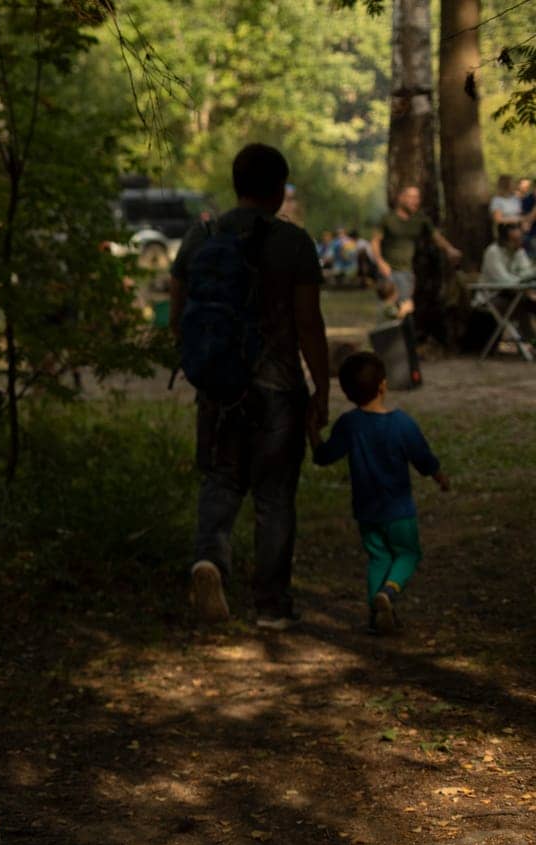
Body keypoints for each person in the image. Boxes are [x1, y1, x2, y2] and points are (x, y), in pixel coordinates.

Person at [170, 143, 331, 629]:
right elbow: (309, 324)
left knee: (220, 481)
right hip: (278, 389)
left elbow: (178, 318)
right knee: (275, 496)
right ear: (280, 189)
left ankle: (209, 562)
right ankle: (271, 606)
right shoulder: (295, 243)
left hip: (219, 384)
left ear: (235, 184)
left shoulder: (200, 238)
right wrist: (321, 389)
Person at [310, 351, 449, 634]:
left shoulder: (349, 425)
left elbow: (323, 456)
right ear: (383, 386)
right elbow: (422, 457)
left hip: (367, 511)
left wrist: (311, 430)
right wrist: (439, 476)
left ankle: (376, 617)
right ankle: (389, 592)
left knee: (378, 558)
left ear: (348, 394)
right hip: (399, 512)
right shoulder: (402, 423)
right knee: (408, 554)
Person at [373, 186, 463, 319]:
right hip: (388, 271)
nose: (416, 201)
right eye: (412, 197)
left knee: (405, 309)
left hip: (406, 272)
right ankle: (386, 337)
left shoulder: (420, 219)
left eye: (418, 197)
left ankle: (402, 338)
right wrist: (380, 262)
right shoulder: (388, 219)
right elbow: (375, 241)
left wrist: (449, 249)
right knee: (388, 309)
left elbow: (436, 236)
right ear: (401, 198)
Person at [477, 223, 536, 357]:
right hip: (492, 297)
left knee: (526, 308)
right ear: (505, 240)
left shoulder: (518, 251)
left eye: (520, 239)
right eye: (515, 240)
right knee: (521, 308)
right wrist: (525, 278)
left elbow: (527, 271)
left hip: (515, 296)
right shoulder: (493, 252)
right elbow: (504, 281)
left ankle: (534, 343)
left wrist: (530, 275)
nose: (519, 243)